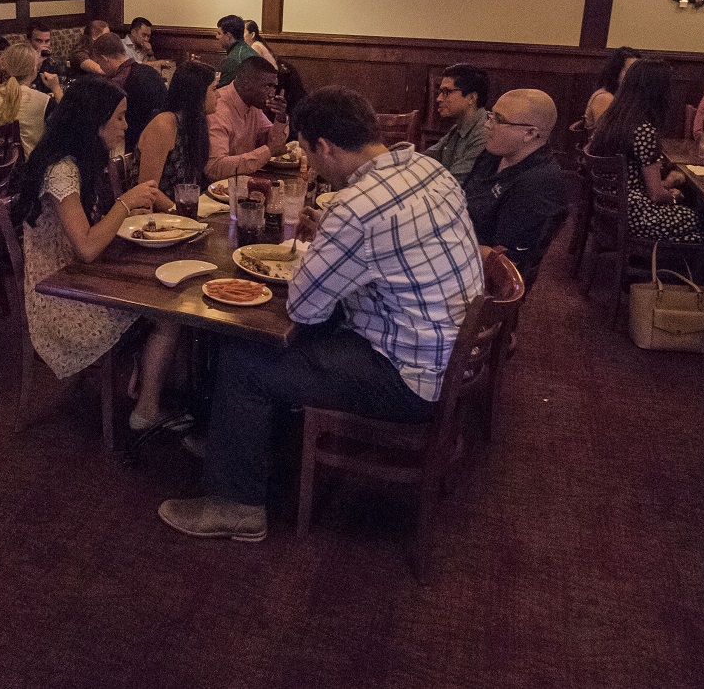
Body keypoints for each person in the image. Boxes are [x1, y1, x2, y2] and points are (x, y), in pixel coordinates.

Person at [158, 88, 484, 541]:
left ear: (325, 146)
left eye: (310, 154)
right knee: (287, 343)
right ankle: (241, 444)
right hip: (447, 352)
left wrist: (331, 241)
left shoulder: (357, 206)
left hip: (408, 377)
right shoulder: (428, 168)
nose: (312, 167)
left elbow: (304, 309)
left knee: (246, 357)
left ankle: (237, 506)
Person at [10, 77, 181, 431]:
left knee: (166, 293)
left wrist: (130, 206)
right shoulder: (61, 171)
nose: (126, 126)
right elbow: (87, 248)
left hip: (78, 278)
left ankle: (145, 381)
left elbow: (91, 233)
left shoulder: (79, 161)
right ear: (94, 122)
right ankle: (147, 409)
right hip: (59, 297)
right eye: (119, 118)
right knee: (170, 313)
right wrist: (125, 202)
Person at [461, 89, 570, 287]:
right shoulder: (493, 155)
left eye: (498, 119)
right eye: (490, 115)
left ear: (530, 133)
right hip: (461, 246)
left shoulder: (539, 184)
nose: (487, 124)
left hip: (482, 279)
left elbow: (503, 262)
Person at [589, 58, 701, 243]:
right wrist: (675, 196)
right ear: (658, 92)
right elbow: (655, 194)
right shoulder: (644, 129)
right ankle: (675, 269)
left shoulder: (612, 119)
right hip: (633, 216)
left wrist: (667, 183)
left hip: (609, 210)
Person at [136, 61, 216, 193]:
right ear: (197, 93)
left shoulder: (196, 123)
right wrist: (180, 209)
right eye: (214, 89)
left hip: (181, 209)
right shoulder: (164, 125)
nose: (218, 95)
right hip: (157, 211)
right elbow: (147, 187)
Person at [207, 57, 291, 180]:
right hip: (215, 190)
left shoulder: (253, 105)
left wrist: (280, 118)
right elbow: (215, 168)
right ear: (246, 83)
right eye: (268, 86)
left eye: (274, 87)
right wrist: (268, 152)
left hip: (244, 182)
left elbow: (273, 142)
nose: (272, 93)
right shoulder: (218, 108)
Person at [92, 33, 167, 151]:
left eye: (99, 62)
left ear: (104, 59)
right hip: (163, 139)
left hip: (135, 147)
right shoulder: (150, 71)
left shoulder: (117, 84)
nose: (101, 68)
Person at [0, 41, 56, 155]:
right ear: (33, 69)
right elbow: (65, 125)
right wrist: (57, 89)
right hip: (22, 169)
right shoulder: (43, 100)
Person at [424, 63, 490, 183]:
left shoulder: (484, 134)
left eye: (446, 92)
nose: (438, 98)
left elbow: (454, 183)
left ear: (471, 98)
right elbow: (427, 159)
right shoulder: (458, 128)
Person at [582, 47, 639, 134]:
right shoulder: (604, 97)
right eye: (629, 70)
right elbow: (607, 136)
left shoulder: (623, 96)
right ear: (616, 71)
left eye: (637, 71)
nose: (634, 75)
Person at [215, 14, 257, 87]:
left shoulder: (233, 60)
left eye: (219, 33)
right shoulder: (246, 49)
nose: (217, 37)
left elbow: (222, 92)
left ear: (228, 36)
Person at [26, 20, 65, 95]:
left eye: (47, 41)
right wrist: (36, 63)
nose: (43, 45)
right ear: (29, 41)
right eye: (39, 41)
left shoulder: (52, 60)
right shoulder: (21, 60)